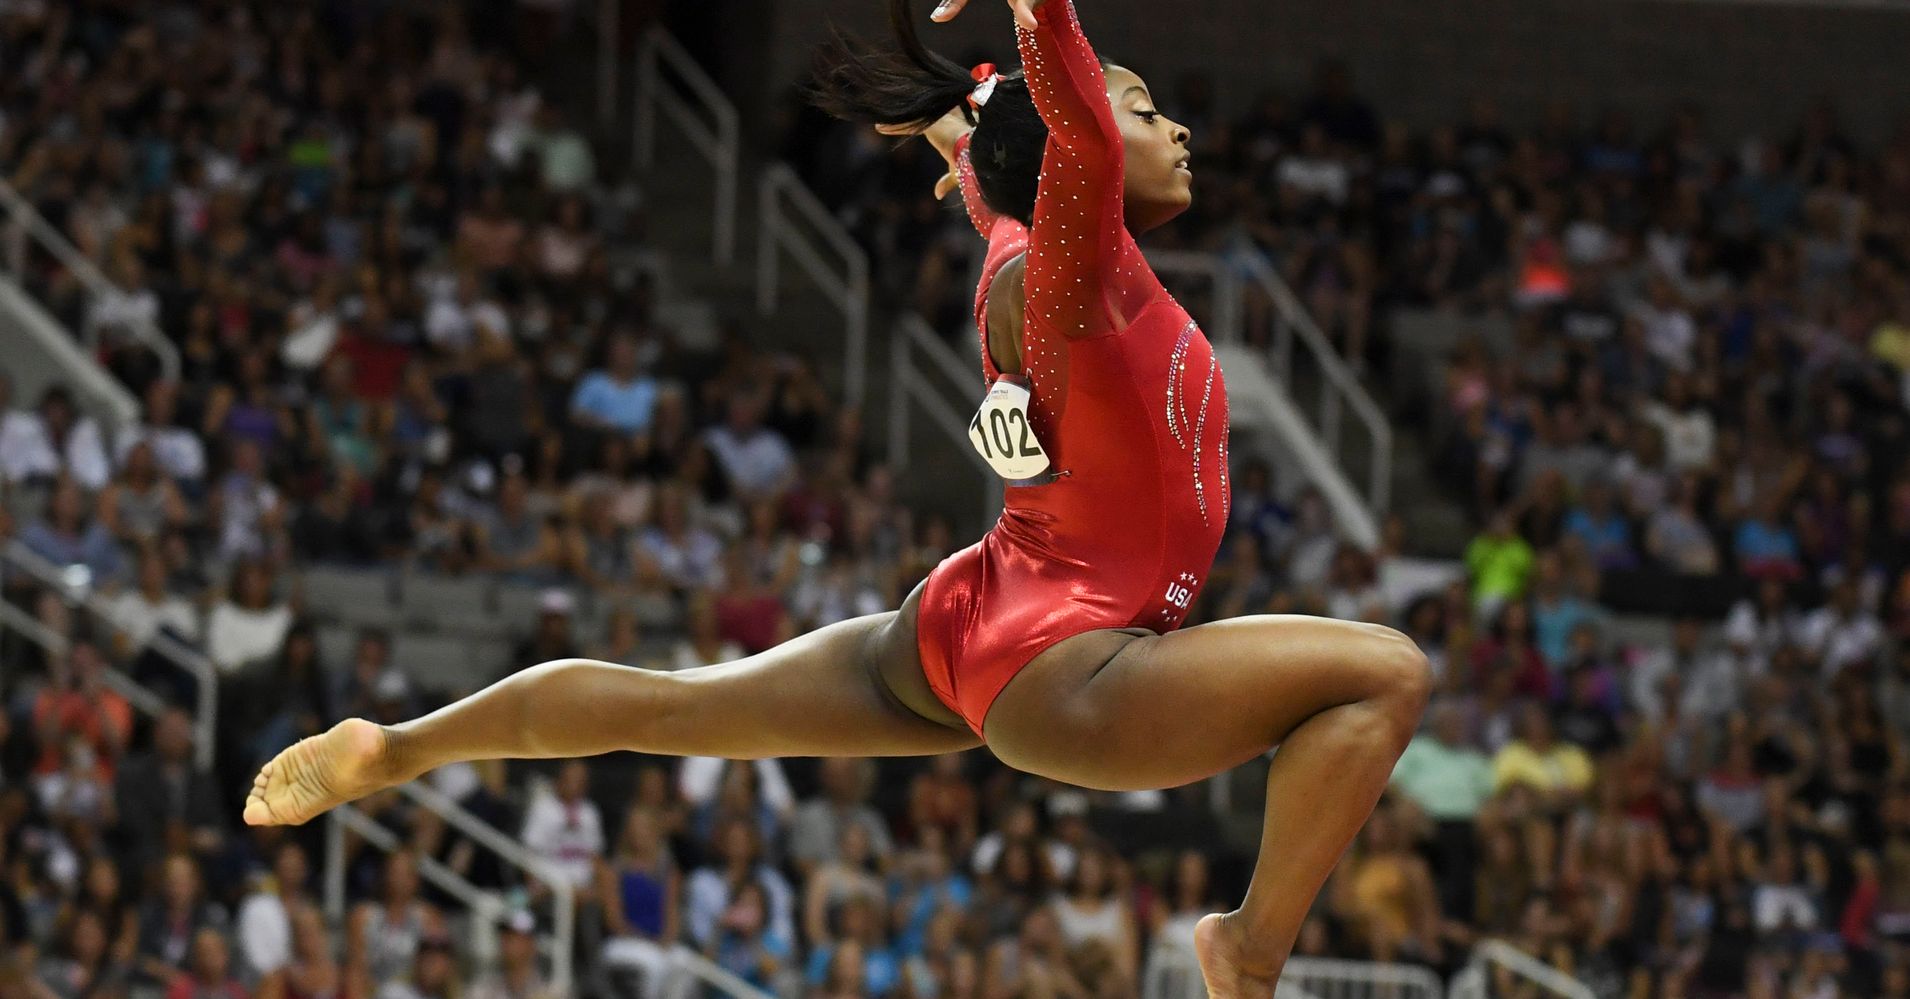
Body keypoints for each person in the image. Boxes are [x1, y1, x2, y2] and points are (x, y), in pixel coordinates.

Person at [243, 4, 1430, 997]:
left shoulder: (1033, 252)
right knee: (1384, 671)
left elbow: (1007, 165)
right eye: (1139, 103)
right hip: (1067, 665)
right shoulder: (1062, 279)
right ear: (1082, 149)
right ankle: (1248, 953)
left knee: (670, 709)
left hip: (966, 619)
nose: (1170, 123)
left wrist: (961, 135)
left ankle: (397, 747)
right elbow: (1066, 134)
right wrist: (1040, 19)